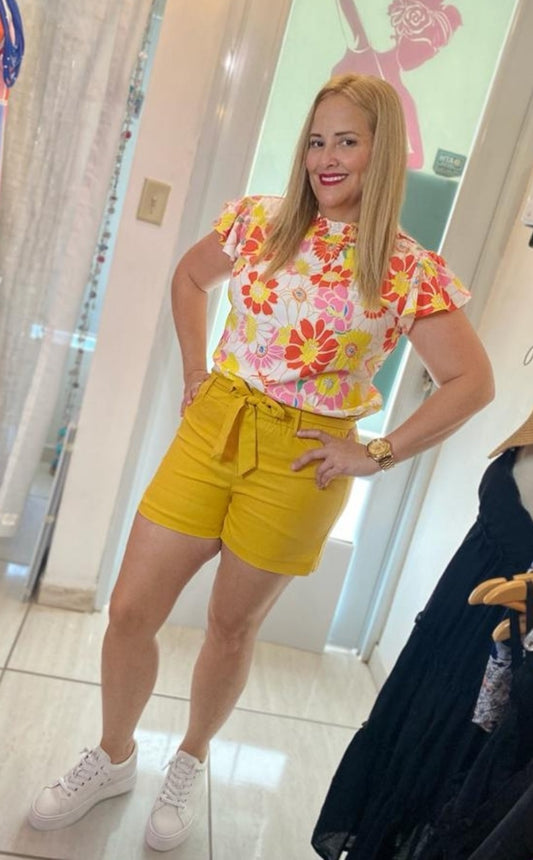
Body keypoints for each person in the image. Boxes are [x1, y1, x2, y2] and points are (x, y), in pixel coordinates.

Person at [28, 73, 494, 852]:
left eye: (346, 141)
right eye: (316, 141)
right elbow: (189, 277)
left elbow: (470, 381)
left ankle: (188, 759)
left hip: (302, 461)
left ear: (381, 151)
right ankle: (112, 756)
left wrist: (375, 452)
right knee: (131, 610)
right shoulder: (258, 221)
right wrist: (194, 371)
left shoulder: (405, 268)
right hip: (215, 427)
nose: (326, 158)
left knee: (229, 626)